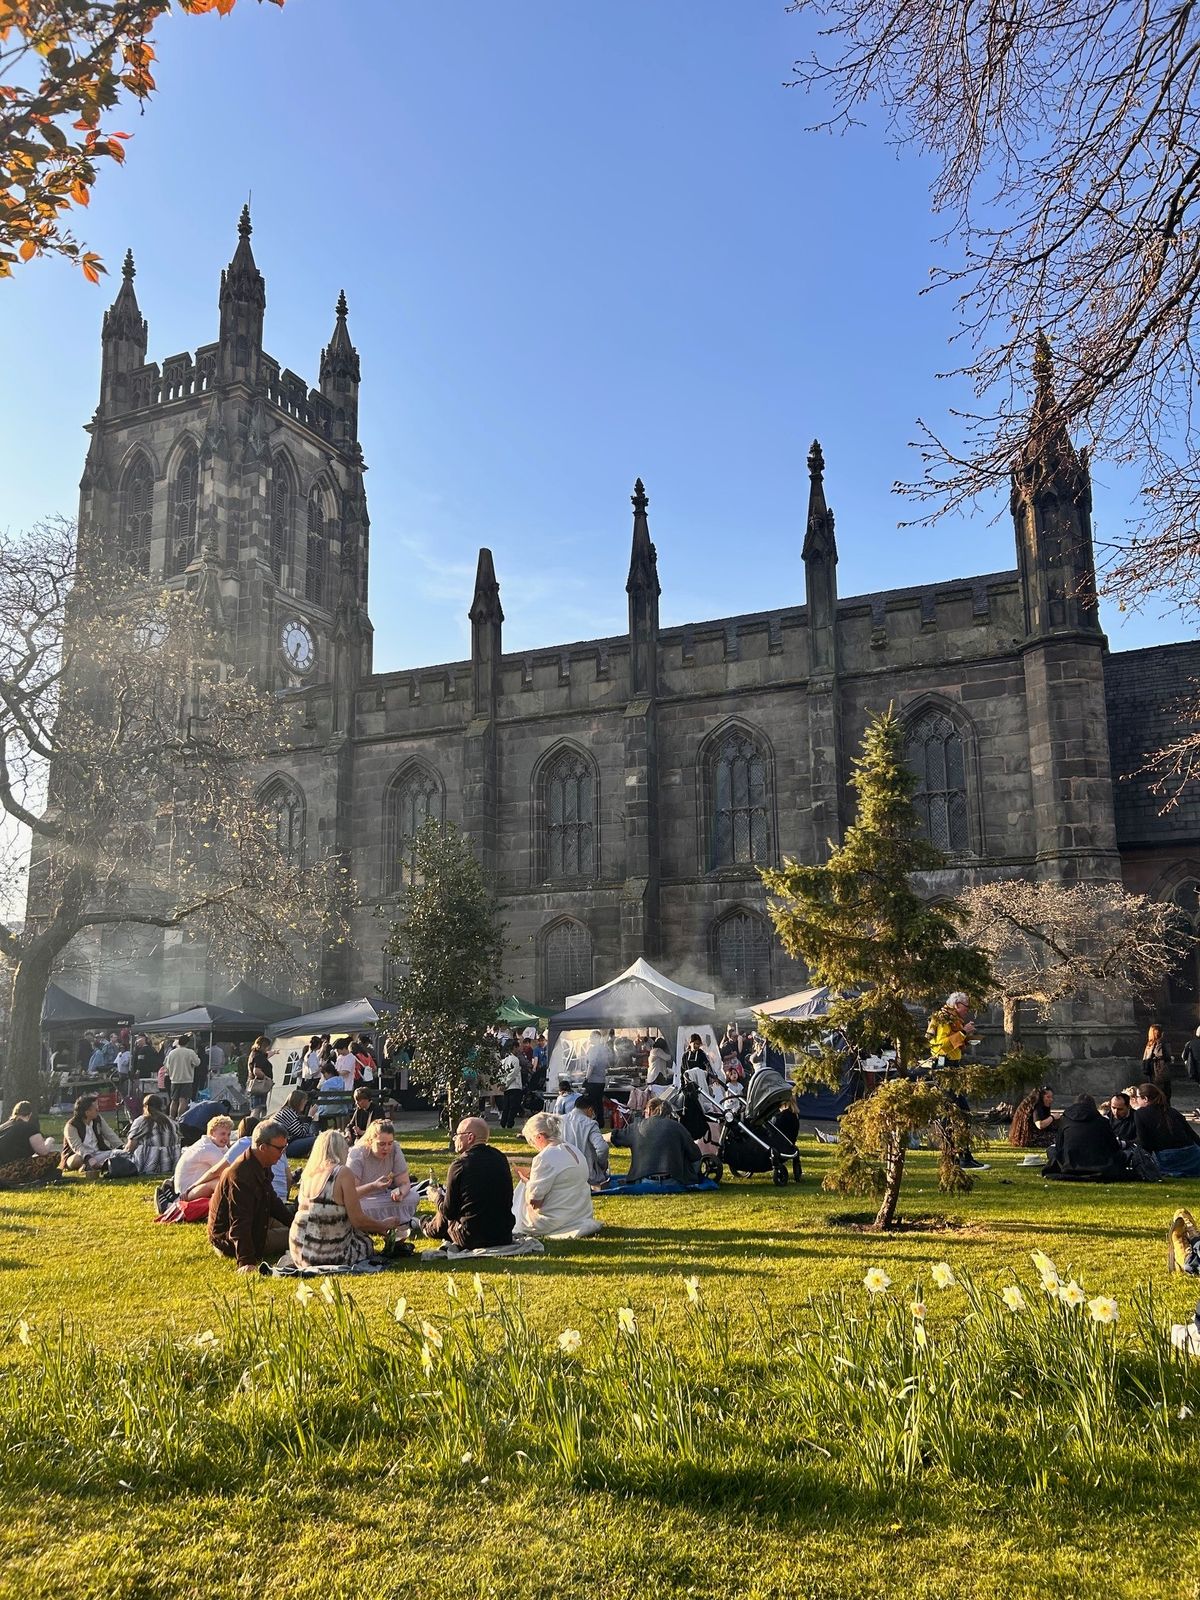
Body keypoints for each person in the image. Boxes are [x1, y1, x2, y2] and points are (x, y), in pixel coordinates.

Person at [288, 1130, 394, 1271]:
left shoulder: (309, 1174)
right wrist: (382, 1225)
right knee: (366, 1243)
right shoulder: (342, 1172)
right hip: (326, 1255)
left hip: (299, 1251)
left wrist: (373, 1186)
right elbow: (358, 1220)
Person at [207, 1119, 295, 1271]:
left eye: (284, 1148)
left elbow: (272, 1202)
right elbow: (239, 1222)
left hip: (257, 1221)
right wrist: (246, 1261)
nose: (282, 1153)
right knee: (299, 1235)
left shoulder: (261, 1163)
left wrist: (294, 1222)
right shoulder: (241, 1175)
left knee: (301, 1228)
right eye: (280, 1149)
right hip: (231, 1240)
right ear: (263, 1148)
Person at [422, 1116, 514, 1249]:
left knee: (445, 1203)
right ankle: (429, 1225)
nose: (454, 1139)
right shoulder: (500, 1158)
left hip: (471, 1237)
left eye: (457, 1135)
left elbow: (449, 1212)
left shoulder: (460, 1165)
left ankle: (428, 1227)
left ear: (470, 1137)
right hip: (503, 1235)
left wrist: (436, 1197)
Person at [925, 992, 988, 1171]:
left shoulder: (952, 1018)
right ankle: (953, 1157)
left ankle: (963, 1156)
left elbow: (953, 1042)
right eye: (966, 1006)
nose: (967, 1010)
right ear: (957, 1004)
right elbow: (941, 1045)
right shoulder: (944, 1018)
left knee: (961, 1112)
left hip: (952, 1067)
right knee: (951, 1113)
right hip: (944, 1068)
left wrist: (967, 1038)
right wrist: (963, 1032)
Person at [513, 1112, 597, 1237]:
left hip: (553, 1221)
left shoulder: (544, 1158)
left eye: (531, 1141)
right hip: (579, 1214)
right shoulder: (574, 1150)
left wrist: (527, 1182)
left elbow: (535, 1202)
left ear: (539, 1137)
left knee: (522, 1188)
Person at [346, 1118, 419, 1237]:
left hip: (383, 1196)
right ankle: (387, 1223)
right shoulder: (357, 1153)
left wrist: (401, 1193)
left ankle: (388, 1223)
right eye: (381, 1144)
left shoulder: (395, 1149)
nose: (386, 1148)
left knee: (413, 1197)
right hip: (363, 1199)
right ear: (370, 1141)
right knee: (360, 1207)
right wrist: (373, 1186)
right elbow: (350, 1194)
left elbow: (405, 1183)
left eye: (390, 1143)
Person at [611, 1097, 704, 1185]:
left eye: (645, 1111)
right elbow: (696, 1155)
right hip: (673, 1180)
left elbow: (614, 1137)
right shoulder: (678, 1127)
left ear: (649, 1110)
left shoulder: (637, 1127)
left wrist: (601, 1137)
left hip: (646, 1180)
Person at [1042, 1094, 1130, 1182]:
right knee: (1122, 1155)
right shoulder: (1102, 1121)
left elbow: (1059, 1145)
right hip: (1098, 1162)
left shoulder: (1065, 1120)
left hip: (1070, 1162)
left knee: (1051, 1150)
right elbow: (1113, 1146)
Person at [1132, 1081, 1200, 1176]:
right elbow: (1192, 1134)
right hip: (1191, 1154)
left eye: (1137, 1097)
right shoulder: (1172, 1111)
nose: (1136, 1100)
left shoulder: (1140, 1113)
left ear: (1145, 1099)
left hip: (1166, 1157)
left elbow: (1144, 1142)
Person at [173, 1114, 234, 1201]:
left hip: (195, 1186)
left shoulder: (216, 1144)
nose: (226, 1138)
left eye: (228, 1134)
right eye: (223, 1134)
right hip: (186, 1192)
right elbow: (228, 1169)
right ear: (212, 1133)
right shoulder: (207, 1148)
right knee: (223, 1182)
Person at [0, 1100, 59, 1186]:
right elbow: (43, 1151)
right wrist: (49, 1141)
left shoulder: (3, 1126)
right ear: (30, 1114)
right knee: (55, 1156)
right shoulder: (29, 1127)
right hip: (7, 1169)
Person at [61, 1093, 122, 1172]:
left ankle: (97, 1165)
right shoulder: (71, 1126)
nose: (98, 1110)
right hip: (79, 1156)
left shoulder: (98, 1119)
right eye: (95, 1108)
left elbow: (110, 1135)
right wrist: (88, 1158)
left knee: (117, 1153)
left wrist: (122, 1147)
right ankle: (88, 1165)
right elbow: (77, 1147)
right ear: (87, 1112)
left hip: (97, 1153)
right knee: (78, 1159)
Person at [124, 1093, 180, 1176]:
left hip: (148, 1165)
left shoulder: (141, 1121)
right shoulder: (172, 1122)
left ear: (145, 1106)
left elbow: (130, 1147)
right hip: (169, 1165)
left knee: (115, 1154)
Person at [559, 1095, 610, 1186]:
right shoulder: (590, 1124)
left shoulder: (560, 1121)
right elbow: (602, 1148)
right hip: (587, 1176)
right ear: (590, 1110)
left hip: (563, 1175)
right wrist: (601, 1165)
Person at [165, 1034, 201, 1120]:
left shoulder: (172, 1053)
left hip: (174, 1079)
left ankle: (171, 1117)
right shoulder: (190, 1052)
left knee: (174, 1100)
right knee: (183, 1100)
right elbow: (197, 1063)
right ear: (187, 1043)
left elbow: (167, 1066)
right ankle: (180, 1118)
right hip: (186, 1079)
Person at [274, 1088, 319, 1158]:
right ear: (298, 1102)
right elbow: (301, 1134)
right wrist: (310, 1116)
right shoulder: (289, 1113)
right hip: (286, 1147)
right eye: (304, 1101)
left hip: (286, 1144)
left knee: (314, 1137)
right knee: (318, 1139)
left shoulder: (286, 1111)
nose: (305, 1103)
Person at [1143, 1025, 1174, 1100]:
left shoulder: (1149, 1044)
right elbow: (1161, 1055)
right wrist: (1169, 1058)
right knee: (1164, 1091)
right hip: (1160, 1070)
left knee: (1154, 1090)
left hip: (1151, 1070)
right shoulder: (1160, 1043)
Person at [499, 1042, 525, 1129]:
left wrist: (502, 1083)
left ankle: (503, 1122)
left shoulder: (504, 1060)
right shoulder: (515, 1059)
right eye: (518, 1048)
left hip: (507, 1087)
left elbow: (501, 1073)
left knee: (506, 1106)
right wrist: (506, 1083)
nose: (519, 1050)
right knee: (513, 1107)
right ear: (514, 1047)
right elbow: (513, 1073)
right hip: (514, 1086)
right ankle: (509, 1123)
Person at [246, 1037, 274, 1114]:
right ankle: (256, 1120)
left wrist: (274, 1052)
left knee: (256, 1107)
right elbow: (257, 1071)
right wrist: (267, 1078)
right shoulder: (259, 1056)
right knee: (258, 1108)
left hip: (255, 1085)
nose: (268, 1048)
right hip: (259, 1086)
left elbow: (266, 1055)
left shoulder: (254, 1054)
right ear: (264, 1046)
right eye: (267, 1046)